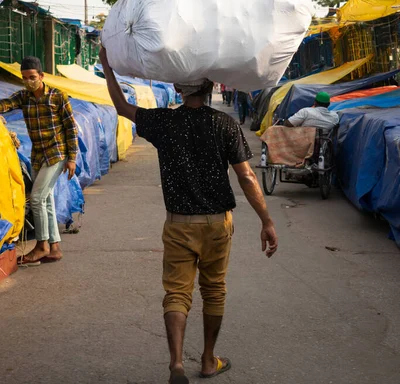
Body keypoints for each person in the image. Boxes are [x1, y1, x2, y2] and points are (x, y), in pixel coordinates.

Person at [99, 47, 278, 384]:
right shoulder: (224, 124)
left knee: (177, 293)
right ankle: (209, 361)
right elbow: (247, 177)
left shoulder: (163, 122)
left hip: (179, 224)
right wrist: (266, 221)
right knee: (214, 290)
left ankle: (177, 364)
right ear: (210, 87)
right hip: (217, 224)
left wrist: (108, 66)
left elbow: (122, 106)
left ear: (179, 90)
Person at [0, 56, 78, 263]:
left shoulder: (57, 96)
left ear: (41, 76)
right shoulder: (24, 97)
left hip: (56, 154)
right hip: (37, 155)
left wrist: (72, 158)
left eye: (32, 77)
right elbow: (6, 104)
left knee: (36, 198)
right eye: (25, 78)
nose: (29, 81)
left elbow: (71, 128)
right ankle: (55, 247)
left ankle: (41, 246)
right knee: (47, 200)